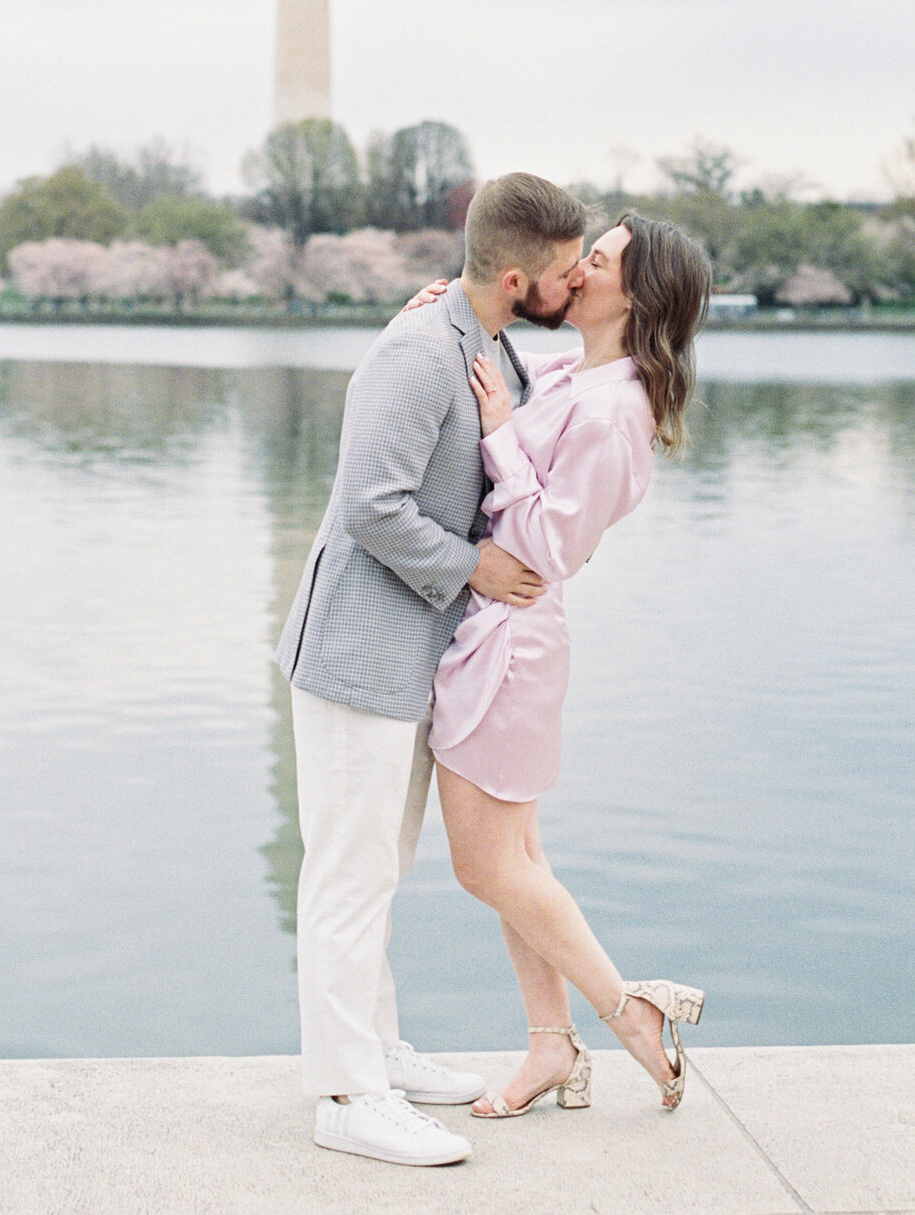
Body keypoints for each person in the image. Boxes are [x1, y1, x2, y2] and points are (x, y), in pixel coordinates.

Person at [274, 172, 588, 1167]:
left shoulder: (485, 340)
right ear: (514, 274)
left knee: (380, 867)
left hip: (415, 658)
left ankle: (375, 1049)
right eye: (567, 268)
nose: (577, 281)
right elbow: (371, 503)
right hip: (359, 655)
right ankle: (344, 1091)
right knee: (347, 874)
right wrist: (475, 567)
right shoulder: (419, 351)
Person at [416, 213, 711, 1120]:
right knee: (521, 859)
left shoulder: (617, 409)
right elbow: (496, 359)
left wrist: (502, 438)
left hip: (515, 637)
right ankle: (550, 1048)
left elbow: (549, 543)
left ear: (640, 293)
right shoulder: (569, 376)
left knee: (485, 867)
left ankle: (630, 1013)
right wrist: (448, 311)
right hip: (497, 632)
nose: (577, 269)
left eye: (599, 260)